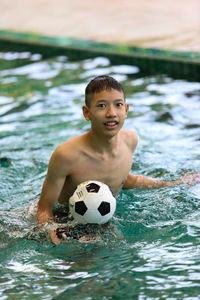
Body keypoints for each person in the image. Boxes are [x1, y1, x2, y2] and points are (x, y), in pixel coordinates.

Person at [37, 75, 199, 244]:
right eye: (101, 106)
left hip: (104, 219)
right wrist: (53, 236)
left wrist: (171, 184)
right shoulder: (66, 155)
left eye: (118, 105)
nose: (111, 113)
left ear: (126, 110)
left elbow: (123, 179)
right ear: (87, 113)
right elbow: (44, 209)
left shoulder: (130, 141)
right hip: (65, 219)